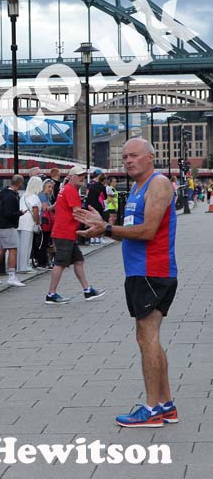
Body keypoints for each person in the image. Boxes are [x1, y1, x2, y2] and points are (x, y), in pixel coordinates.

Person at [75, 138, 178, 428]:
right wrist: (102, 226)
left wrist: (106, 227)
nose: (128, 160)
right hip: (139, 271)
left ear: (150, 158)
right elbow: (128, 231)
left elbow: (146, 232)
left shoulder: (158, 184)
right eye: (125, 157)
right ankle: (166, 405)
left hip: (151, 271)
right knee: (149, 339)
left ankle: (153, 409)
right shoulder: (135, 188)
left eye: (134, 155)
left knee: (147, 338)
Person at [44, 165, 105, 304]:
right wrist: (95, 224)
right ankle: (51, 294)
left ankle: (87, 290)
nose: (82, 177)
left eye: (83, 175)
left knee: (78, 261)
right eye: (79, 175)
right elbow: (77, 211)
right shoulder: (70, 190)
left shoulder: (64, 189)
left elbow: (56, 206)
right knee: (60, 263)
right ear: (71, 177)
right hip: (64, 232)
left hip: (65, 231)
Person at [0, 174, 26, 287]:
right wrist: (20, 213)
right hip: (8, 226)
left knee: (2, 248)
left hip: (1, 225)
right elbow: (9, 213)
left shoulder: (4, 194)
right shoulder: (11, 197)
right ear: (19, 183)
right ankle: (12, 276)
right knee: (13, 249)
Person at [17, 176, 43, 273]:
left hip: (20, 221)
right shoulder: (34, 197)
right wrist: (37, 222)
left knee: (20, 245)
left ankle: (19, 266)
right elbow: (35, 210)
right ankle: (24, 266)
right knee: (27, 245)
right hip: (28, 222)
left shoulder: (24, 195)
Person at [37, 179, 55, 269]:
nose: (51, 189)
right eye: (49, 187)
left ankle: (44, 262)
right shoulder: (43, 196)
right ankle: (42, 263)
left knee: (45, 242)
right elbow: (45, 208)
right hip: (43, 223)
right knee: (43, 243)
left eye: (52, 187)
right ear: (44, 187)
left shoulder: (46, 196)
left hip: (46, 223)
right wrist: (55, 205)